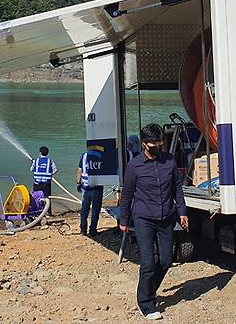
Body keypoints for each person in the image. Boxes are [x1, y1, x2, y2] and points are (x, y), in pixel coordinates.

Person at [119, 123, 189, 320]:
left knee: (166, 260)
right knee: (148, 262)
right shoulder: (134, 166)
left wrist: (182, 212)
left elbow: (177, 188)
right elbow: (127, 195)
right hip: (143, 219)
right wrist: (124, 219)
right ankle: (146, 303)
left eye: (159, 142)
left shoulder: (169, 161)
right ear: (144, 144)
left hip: (166, 217)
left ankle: (149, 288)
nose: (157, 145)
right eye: (152, 142)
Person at [77, 150, 104, 236]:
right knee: (95, 209)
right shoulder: (101, 155)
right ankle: (92, 230)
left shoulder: (84, 155)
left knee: (84, 209)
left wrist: (78, 182)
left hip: (86, 186)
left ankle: (83, 229)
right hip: (97, 187)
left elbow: (79, 170)